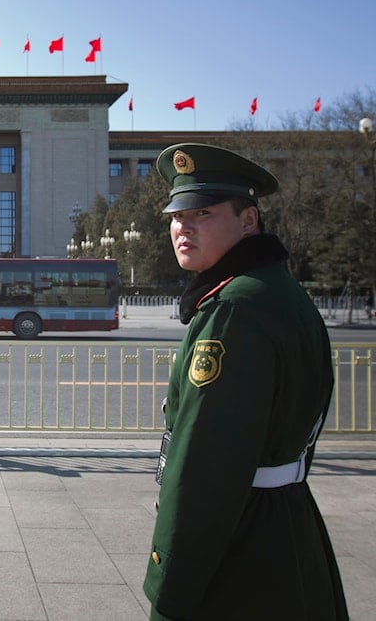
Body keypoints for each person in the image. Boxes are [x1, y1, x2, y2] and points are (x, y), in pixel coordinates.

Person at [144, 143, 347, 620]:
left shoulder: (233, 310)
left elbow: (203, 466)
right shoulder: (280, 293)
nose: (183, 227)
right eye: (177, 216)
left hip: (239, 544)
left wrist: (169, 581)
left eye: (204, 213)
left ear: (249, 220)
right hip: (287, 522)